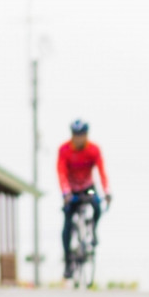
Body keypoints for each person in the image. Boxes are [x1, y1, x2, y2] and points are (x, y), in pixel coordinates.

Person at [57, 119, 111, 279]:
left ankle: (92, 230)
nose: (78, 138)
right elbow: (61, 172)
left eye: (81, 135)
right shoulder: (64, 150)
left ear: (86, 135)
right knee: (67, 223)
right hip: (71, 191)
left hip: (88, 188)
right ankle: (68, 261)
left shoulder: (93, 150)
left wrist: (107, 191)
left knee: (97, 205)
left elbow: (102, 172)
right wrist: (65, 192)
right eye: (75, 135)